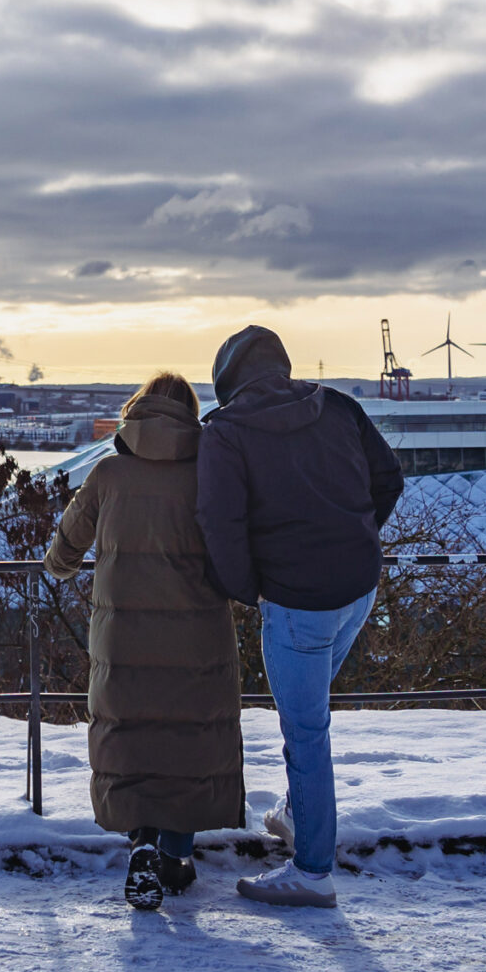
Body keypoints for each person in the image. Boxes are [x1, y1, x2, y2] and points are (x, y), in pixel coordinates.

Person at [196, 325, 403, 908]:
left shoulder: (226, 434)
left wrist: (250, 589)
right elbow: (388, 479)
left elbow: (220, 524)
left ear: (227, 380)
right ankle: (296, 812)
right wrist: (356, 537)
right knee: (307, 717)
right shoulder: (336, 406)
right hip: (358, 590)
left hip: (295, 603)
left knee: (306, 734)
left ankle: (312, 871)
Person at [45, 371, 244, 911]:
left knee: (131, 739)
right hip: (197, 638)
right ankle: (176, 857)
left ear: (136, 411)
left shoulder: (107, 474)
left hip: (122, 641)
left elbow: (62, 556)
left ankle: (142, 846)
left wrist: (71, 560)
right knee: (187, 743)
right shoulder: (209, 472)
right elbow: (236, 551)